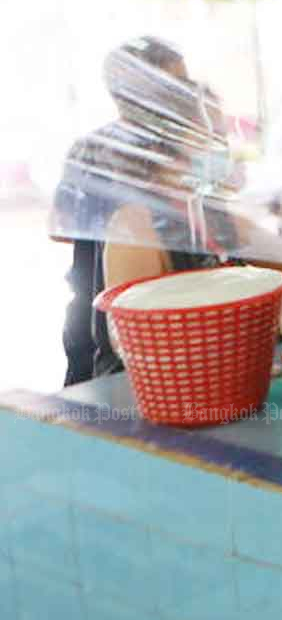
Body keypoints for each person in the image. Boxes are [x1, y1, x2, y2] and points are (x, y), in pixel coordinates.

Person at [54, 38, 243, 385]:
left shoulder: (101, 145)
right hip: (107, 316)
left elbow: (63, 227)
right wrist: (122, 234)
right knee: (95, 397)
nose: (182, 93)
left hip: (129, 303)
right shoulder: (130, 152)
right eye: (175, 84)